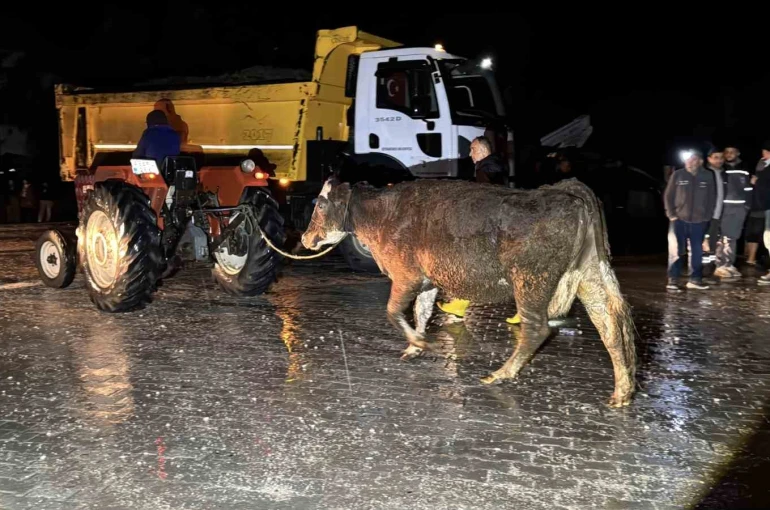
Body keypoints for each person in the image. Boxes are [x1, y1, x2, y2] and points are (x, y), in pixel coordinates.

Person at [438, 136, 524, 323]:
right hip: (495, 227)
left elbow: (486, 195)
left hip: (492, 229)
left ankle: (529, 311)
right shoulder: (488, 166)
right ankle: (460, 304)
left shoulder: (488, 167)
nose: (470, 153)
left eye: (473, 149)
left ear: (484, 151)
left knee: (491, 268)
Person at [664, 150, 716, 290]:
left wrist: (707, 217)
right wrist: (672, 215)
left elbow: (712, 198)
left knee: (697, 251)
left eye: (693, 159)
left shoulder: (708, 175)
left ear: (700, 161)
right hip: (679, 219)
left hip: (699, 221)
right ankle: (673, 279)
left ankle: (695, 279)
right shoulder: (678, 174)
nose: (690, 162)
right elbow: (668, 196)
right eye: (688, 159)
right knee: (676, 250)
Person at [713, 145, 751, 278]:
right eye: (726, 152)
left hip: (740, 208)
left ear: (738, 153)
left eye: (732, 152)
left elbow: (748, 190)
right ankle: (720, 265)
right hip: (724, 207)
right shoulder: (721, 169)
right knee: (722, 236)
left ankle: (729, 264)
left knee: (733, 237)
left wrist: (746, 207)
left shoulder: (744, 169)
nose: (729, 154)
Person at [702, 147, 725, 271]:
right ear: (709, 159)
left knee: (712, 243)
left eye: (721, 157)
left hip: (718, 214)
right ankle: (701, 271)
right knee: (703, 242)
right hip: (706, 215)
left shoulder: (723, 173)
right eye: (715, 157)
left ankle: (708, 270)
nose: (719, 160)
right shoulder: (704, 173)